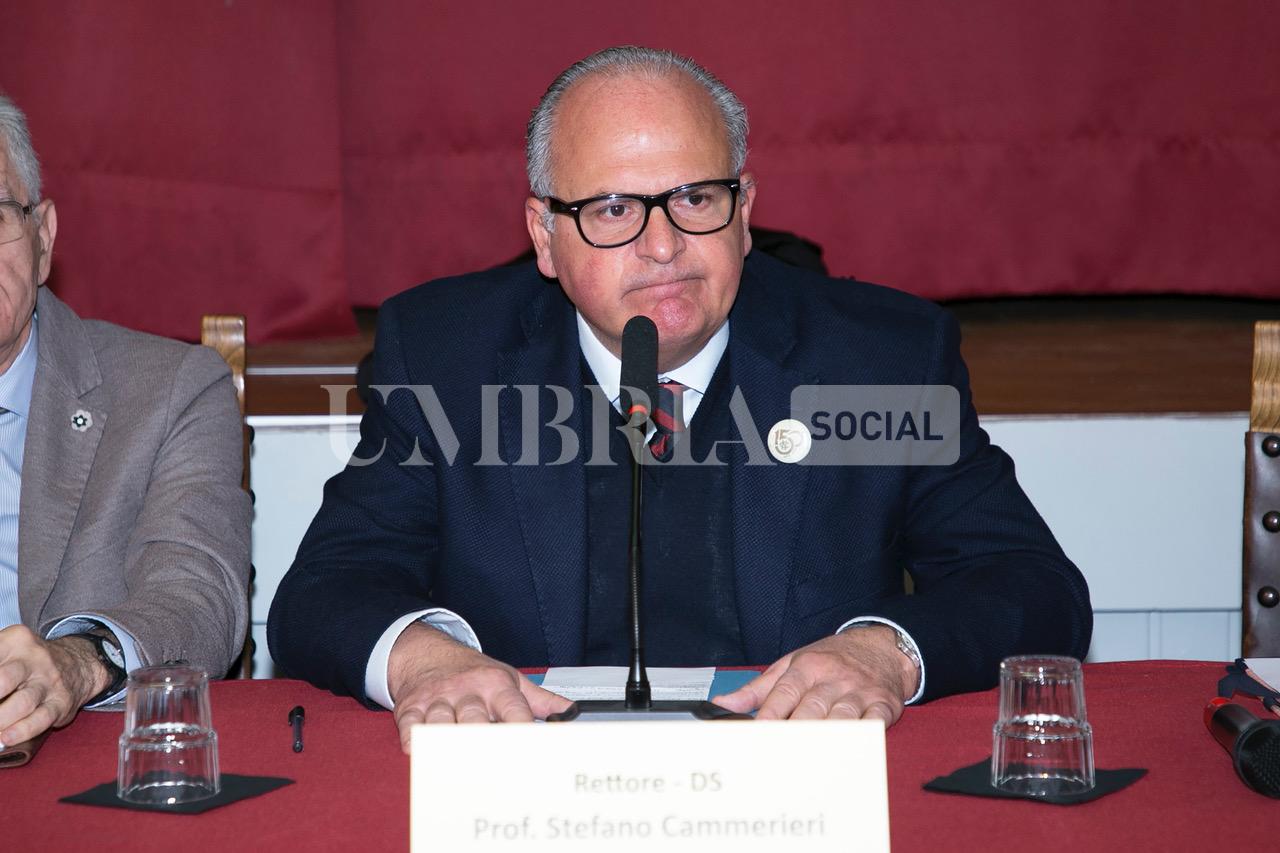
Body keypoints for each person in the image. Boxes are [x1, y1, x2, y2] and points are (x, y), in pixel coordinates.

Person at [269, 47, 1091, 753]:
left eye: (696, 198)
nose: (663, 247)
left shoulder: (878, 360)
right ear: (544, 236)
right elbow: (325, 590)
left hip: (793, 794)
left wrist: (885, 652)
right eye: (614, 208)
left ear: (746, 211)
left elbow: (1032, 585)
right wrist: (425, 658)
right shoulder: (447, 358)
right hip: (526, 791)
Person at [0, 93, 251, 750]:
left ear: (42, 236)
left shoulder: (170, 391)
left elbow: (198, 598)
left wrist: (78, 663)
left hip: (75, 776)